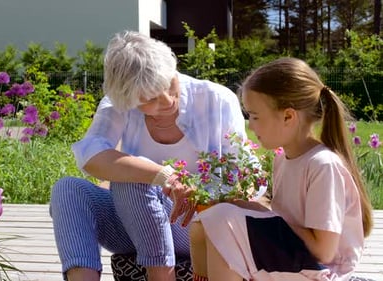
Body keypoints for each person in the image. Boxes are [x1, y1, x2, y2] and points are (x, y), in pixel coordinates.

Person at [49, 30, 247, 281]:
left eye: (169, 84)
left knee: (132, 180)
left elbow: (242, 173)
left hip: (196, 225)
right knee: (67, 189)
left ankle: (162, 277)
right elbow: (90, 155)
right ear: (128, 99)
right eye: (150, 98)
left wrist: (193, 191)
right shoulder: (119, 104)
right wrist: (164, 175)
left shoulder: (216, 100)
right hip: (136, 222)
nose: (167, 101)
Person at [189, 57, 374, 281]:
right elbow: (283, 220)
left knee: (221, 219)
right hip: (293, 260)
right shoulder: (283, 159)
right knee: (205, 222)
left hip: (321, 271)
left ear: (288, 116)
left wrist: (262, 218)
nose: (251, 125)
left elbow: (324, 250)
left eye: (255, 116)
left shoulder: (323, 165)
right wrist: (250, 208)